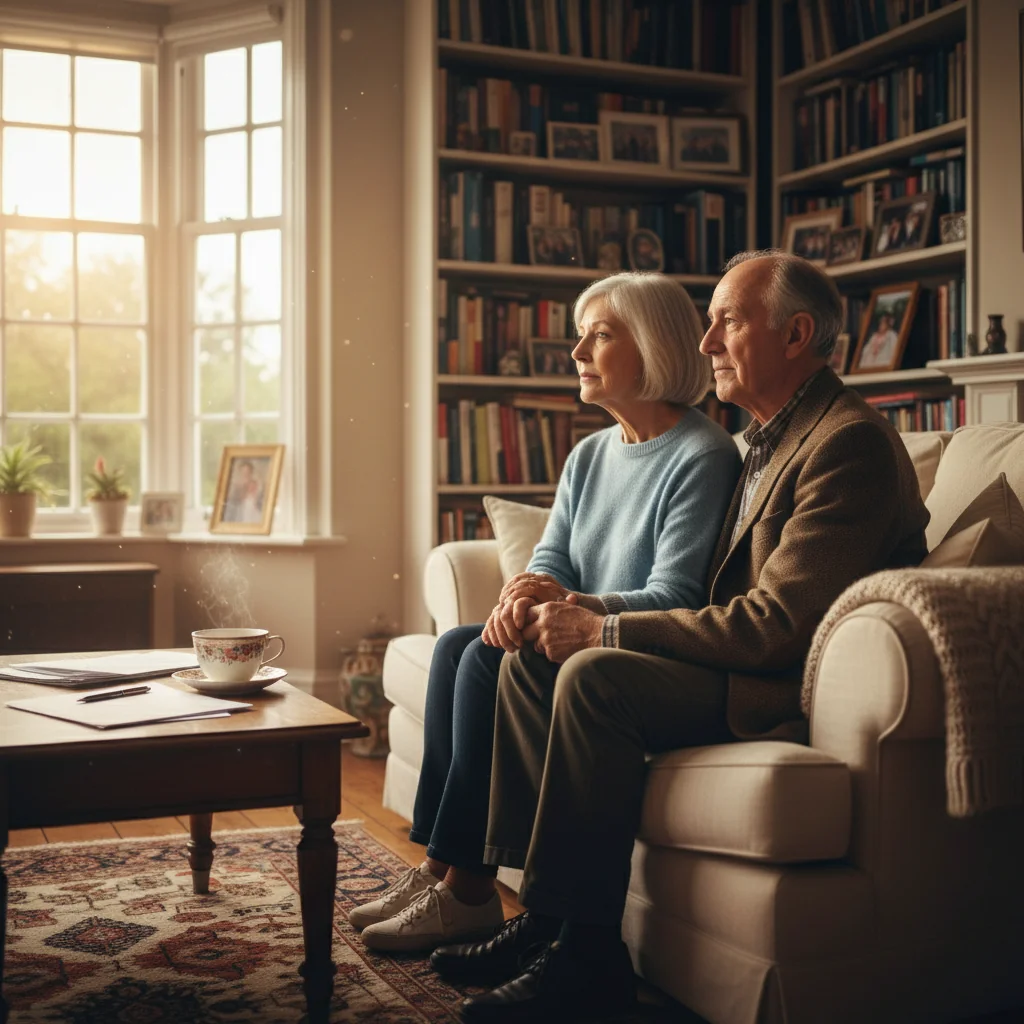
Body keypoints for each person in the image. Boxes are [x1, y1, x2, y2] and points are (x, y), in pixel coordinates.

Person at [437, 250, 929, 1022]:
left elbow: (776, 628)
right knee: (533, 660)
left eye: (728, 322)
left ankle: (588, 959)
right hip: (731, 659)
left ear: (796, 334)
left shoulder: (846, 444)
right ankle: (547, 921)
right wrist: (567, 618)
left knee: (593, 673)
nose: (706, 346)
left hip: (772, 681)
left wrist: (605, 628)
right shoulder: (766, 440)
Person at [347, 271, 741, 954]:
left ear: (653, 346)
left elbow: (677, 594)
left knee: (478, 658)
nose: (578, 351)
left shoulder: (701, 455)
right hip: (569, 632)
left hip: (631, 646)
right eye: (578, 335)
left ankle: (468, 890)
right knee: (458, 647)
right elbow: (553, 556)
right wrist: (525, 592)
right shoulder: (591, 453)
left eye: (601, 334)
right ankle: (441, 868)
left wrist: (572, 605)